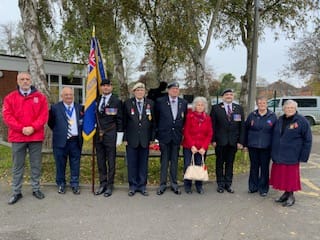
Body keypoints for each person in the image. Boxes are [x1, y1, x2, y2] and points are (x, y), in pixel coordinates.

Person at [2, 72, 48, 204]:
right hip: (18, 137)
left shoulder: (40, 97)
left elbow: (43, 116)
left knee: (36, 165)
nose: (25, 81)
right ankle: (16, 192)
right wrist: (22, 128)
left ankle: (36, 189)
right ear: (18, 81)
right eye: (22, 79)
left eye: (27, 79)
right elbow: (8, 116)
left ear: (31, 80)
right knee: (17, 166)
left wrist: (32, 128)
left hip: (35, 137)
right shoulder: (10, 98)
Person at [270, 99, 312, 207]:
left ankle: (291, 196)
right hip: (279, 154)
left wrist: (304, 156)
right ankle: (285, 194)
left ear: (295, 109)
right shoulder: (280, 119)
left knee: (291, 177)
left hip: (293, 154)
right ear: (284, 109)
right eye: (287, 108)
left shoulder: (302, 121)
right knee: (282, 176)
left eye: (291, 108)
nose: (289, 109)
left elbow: (308, 139)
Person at [48, 87, 83, 195]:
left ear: (73, 96)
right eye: (66, 94)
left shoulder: (80, 108)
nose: (69, 96)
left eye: (71, 94)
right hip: (60, 142)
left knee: (75, 164)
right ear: (62, 96)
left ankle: (75, 184)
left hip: (75, 141)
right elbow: (51, 123)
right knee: (60, 164)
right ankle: (61, 184)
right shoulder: (54, 108)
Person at [123, 82, 156, 196]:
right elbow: (124, 122)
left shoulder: (150, 103)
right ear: (134, 92)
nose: (140, 92)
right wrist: (125, 138)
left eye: (142, 90)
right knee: (132, 164)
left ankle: (142, 186)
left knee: (143, 164)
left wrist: (152, 138)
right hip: (131, 139)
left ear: (145, 92)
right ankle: (132, 186)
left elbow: (153, 123)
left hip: (145, 139)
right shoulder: (128, 103)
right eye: (137, 90)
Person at [155, 81, 188, 195]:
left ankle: (174, 183)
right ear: (168, 90)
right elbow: (156, 119)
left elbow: (184, 120)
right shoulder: (160, 102)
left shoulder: (183, 103)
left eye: (177, 89)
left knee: (174, 161)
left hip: (176, 137)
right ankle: (162, 184)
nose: (175, 91)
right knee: (164, 161)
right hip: (164, 136)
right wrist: (156, 135)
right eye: (173, 89)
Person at [210, 88, 245, 194]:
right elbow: (212, 126)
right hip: (220, 141)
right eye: (226, 95)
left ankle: (228, 184)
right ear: (223, 97)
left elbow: (241, 126)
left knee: (230, 163)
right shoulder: (216, 108)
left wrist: (240, 141)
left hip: (233, 142)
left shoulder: (238, 108)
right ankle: (220, 184)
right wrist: (213, 140)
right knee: (219, 163)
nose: (229, 96)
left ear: (233, 96)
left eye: (231, 94)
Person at [94, 78, 123, 197]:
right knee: (100, 160)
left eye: (108, 86)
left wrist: (119, 137)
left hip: (111, 134)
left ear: (111, 87)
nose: (105, 88)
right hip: (98, 135)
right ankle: (102, 183)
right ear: (101, 88)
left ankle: (110, 185)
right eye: (103, 86)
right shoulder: (97, 99)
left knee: (111, 161)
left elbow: (120, 119)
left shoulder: (116, 101)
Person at [245, 96, 277, 197]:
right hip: (253, 146)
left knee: (264, 168)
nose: (262, 105)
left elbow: (276, 133)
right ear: (257, 104)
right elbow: (246, 130)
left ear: (266, 104)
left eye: (263, 103)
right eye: (260, 103)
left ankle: (263, 189)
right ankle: (253, 187)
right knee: (254, 167)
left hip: (266, 147)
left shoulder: (272, 116)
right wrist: (245, 144)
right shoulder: (252, 115)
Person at [182, 97, 213, 194]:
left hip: (201, 148)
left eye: (202, 105)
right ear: (195, 106)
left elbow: (209, 133)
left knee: (199, 165)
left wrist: (204, 147)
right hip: (189, 146)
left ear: (205, 107)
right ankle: (187, 185)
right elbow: (186, 132)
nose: (200, 107)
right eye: (198, 105)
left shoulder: (207, 118)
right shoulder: (189, 116)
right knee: (188, 165)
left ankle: (199, 186)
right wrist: (192, 146)